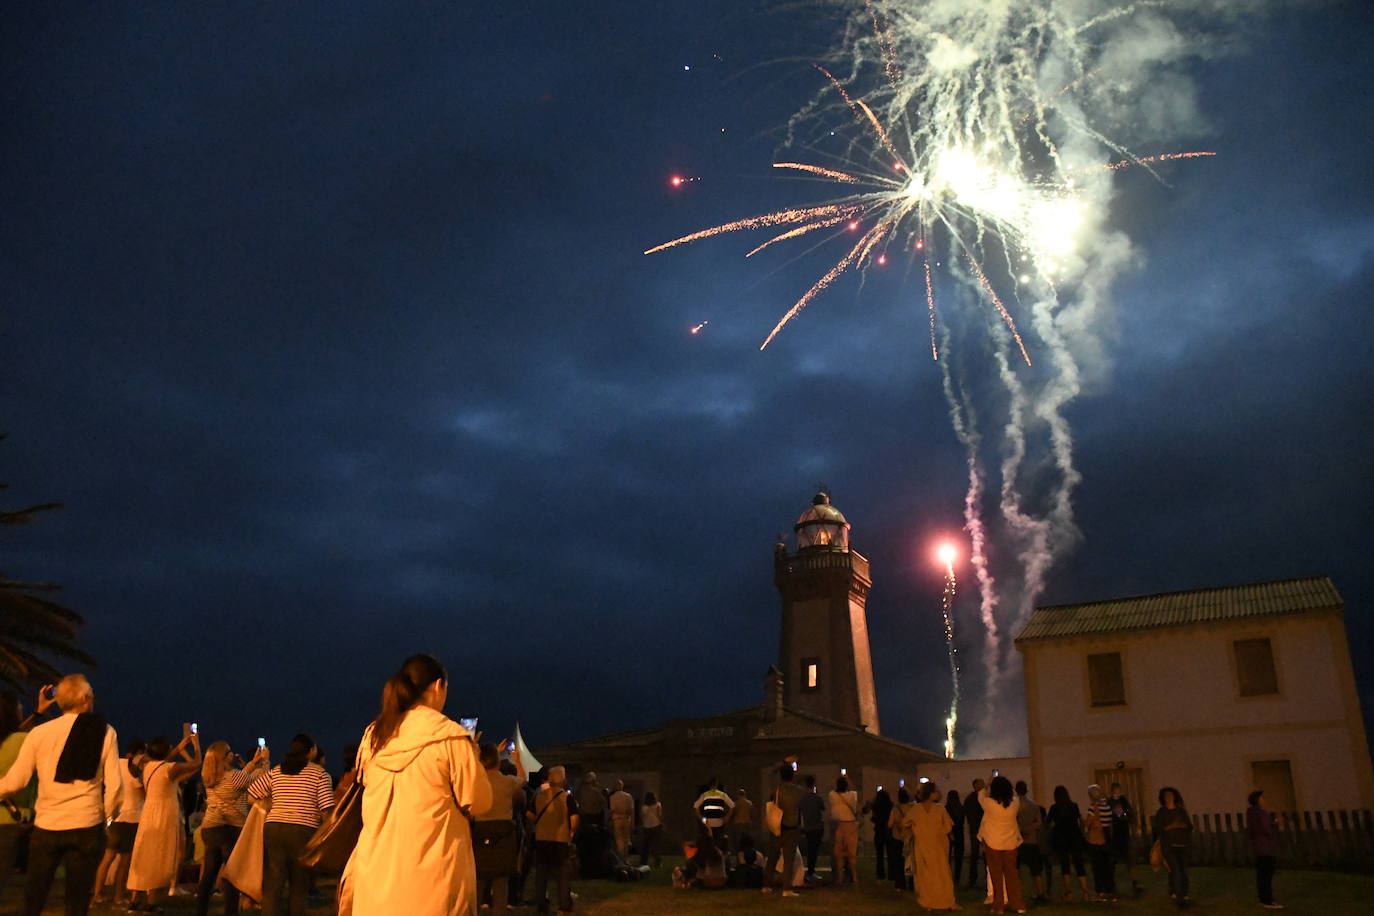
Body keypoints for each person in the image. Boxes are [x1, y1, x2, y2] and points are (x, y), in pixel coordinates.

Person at [342, 654, 489, 916]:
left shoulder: (374, 736)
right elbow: (479, 801)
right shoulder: (451, 737)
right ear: (437, 686)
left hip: (376, 876)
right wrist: (473, 757)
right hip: (434, 882)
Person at [0, 674, 122, 916]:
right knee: (76, 904)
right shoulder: (104, 732)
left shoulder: (39, 734)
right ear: (86, 699)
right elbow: (116, 786)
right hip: (86, 824)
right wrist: (107, 819)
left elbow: (16, 781)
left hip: (47, 826)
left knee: (34, 899)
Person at [249, 734, 334, 916]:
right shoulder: (320, 774)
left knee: (273, 883)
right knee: (298, 884)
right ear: (311, 751)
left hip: (273, 827)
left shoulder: (277, 771)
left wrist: (273, 804)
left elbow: (252, 793)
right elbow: (327, 810)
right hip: (302, 830)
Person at [126, 731, 203, 909]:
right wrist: (196, 745)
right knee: (158, 855)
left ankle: (135, 899)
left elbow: (165, 757)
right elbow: (197, 763)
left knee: (143, 853)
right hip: (165, 814)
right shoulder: (169, 768)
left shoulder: (148, 767)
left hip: (148, 813)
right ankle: (152, 901)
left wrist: (180, 745)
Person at [196, 740, 269, 916]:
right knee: (232, 875)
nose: (232, 754)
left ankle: (200, 911)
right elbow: (260, 779)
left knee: (209, 874)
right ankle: (231, 912)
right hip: (230, 828)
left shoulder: (209, 776)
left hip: (210, 827)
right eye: (229, 752)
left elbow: (241, 777)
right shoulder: (234, 777)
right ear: (223, 757)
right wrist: (264, 761)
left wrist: (252, 762)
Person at [0, 690, 44, 907]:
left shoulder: (13, 739)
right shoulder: (23, 740)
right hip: (11, 819)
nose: (21, 711)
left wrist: (37, 713)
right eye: (19, 708)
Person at [91, 739, 147, 908]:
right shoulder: (134, 769)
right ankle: (118, 896)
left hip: (115, 817)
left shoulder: (114, 764)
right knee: (125, 860)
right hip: (131, 818)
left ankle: (97, 894)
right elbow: (143, 793)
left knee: (107, 857)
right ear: (138, 753)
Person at [474, 740, 527, 910]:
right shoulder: (507, 782)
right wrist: (517, 759)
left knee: (478, 882)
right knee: (500, 883)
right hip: (503, 836)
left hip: (480, 834)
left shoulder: (476, 780)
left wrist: (480, 751)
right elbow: (523, 778)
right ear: (498, 761)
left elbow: (474, 767)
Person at [528, 765, 578, 915]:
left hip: (542, 839)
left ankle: (542, 907)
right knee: (562, 875)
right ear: (563, 779)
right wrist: (571, 833)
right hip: (560, 840)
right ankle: (563, 906)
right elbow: (574, 819)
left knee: (541, 875)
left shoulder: (539, 796)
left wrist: (540, 823)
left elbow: (529, 815)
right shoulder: (567, 797)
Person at [905, 782, 958, 910]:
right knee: (942, 873)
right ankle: (947, 901)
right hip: (937, 846)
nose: (938, 793)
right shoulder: (940, 809)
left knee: (925, 874)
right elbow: (948, 826)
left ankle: (928, 901)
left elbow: (906, 823)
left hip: (923, 846)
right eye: (936, 791)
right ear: (931, 793)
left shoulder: (916, 809)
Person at [978, 775, 1025, 915]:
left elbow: (980, 796)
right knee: (1012, 875)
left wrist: (987, 785)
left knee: (996, 876)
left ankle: (998, 906)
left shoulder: (989, 803)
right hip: (1010, 842)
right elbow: (1015, 794)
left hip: (992, 841)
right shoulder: (1015, 803)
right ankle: (1018, 905)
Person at [762, 762, 803, 898]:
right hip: (792, 828)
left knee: (772, 857)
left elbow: (770, 776)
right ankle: (786, 889)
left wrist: (779, 765)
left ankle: (767, 885)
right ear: (792, 776)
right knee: (789, 859)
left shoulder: (777, 789)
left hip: (777, 827)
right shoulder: (798, 790)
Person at [1047, 785, 1089, 902]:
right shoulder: (1073, 806)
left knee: (1065, 866)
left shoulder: (1054, 808)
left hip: (1061, 838)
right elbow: (1080, 820)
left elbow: (1048, 823)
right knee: (1079, 864)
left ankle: (1068, 892)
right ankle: (1085, 892)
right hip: (1074, 837)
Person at [1152, 786, 1192, 909]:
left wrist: (1182, 825)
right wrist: (1171, 827)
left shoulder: (1181, 811)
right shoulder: (1162, 812)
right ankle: (1180, 898)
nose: (1168, 797)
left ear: (1175, 796)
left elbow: (1190, 826)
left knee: (1183, 870)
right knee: (1175, 870)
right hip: (1168, 846)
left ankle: (1183, 893)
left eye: (1170, 795)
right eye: (1166, 796)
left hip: (1183, 845)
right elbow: (1158, 829)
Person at [1247, 789, 1283, 909]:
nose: (1264, 800)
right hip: (1265, 847)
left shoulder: (1250, 813)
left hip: (1257, 848)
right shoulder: (1262, 813)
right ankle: (1268, 901)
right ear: (1258, 800)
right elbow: (1266, 829)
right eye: (1262, 798)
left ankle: (1263, 899)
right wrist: (1274, 824)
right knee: (1267, 874)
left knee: (1261, 874)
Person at [1107, 782, 1143, 897]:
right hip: (1114, 834)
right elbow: (1118, 814)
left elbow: (1129, 813)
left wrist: (1130, 818)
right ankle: (1111, 885)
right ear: (1112, 791)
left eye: (1119, 790)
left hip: (1124, 833)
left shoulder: (1123, 800)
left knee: (1130, 861)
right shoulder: (1110, 802)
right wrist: (1123, 814)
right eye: (1115, 790)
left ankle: (1135, 884)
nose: (1117, 792)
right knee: (1112, 861)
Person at [1013, 780, 1045, 904]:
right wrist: (1029, 829)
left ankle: (1017, 893)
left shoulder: (1013, 805)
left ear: (1016, 790)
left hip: (1017, 841)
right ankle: (1040, 892)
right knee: (1036, 870)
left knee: (1016, 869)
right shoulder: (1034, 805)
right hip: (1032, 840)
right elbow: (1039, 822)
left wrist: (1021, 829)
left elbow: (1012, 822)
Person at [1084, 784, 1117, 901]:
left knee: (1097, 867)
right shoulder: (1109, 805)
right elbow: (1120, 815)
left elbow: (1087, 823)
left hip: (1095, 839)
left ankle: (1101, 891)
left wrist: (1083, 825)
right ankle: (1111, 890)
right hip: (1107, 838)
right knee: (1107, 866)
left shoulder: (1093, 807)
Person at [827, 776, 859, 885]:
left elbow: (831, 787)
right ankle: (854, 877)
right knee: (852, 854)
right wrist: (848, 778)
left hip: (838, 825)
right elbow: (854, 789)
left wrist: (837, 780)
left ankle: (840, 877)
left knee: (839, 854)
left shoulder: (832, 796)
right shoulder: (852, 796)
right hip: (851, 825)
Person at [693, 779, 733, 853]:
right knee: (718, 844)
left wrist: (701, 818)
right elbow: (732, 806)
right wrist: (727, 817)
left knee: (708, 843)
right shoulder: (722, 795)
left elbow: (696, 807)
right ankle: (717, 858)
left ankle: (709, 858)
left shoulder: (705, 795)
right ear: (716, 785)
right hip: (719, 822)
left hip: (708, 823)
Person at [798, 774, 825, 882]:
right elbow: (822, 809)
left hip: (807, 827)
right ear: (814, 784)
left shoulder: (802, 799)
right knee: (814, 850)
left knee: (810, 850)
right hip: (817, 827)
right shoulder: (817, 798)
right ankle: (811, 872)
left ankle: (810, 871)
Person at [866, 787, 894, 882]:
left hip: (878, 831)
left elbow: (867, 812)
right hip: (888, 831)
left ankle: (880, 874)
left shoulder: (875, 805)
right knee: (890, 854)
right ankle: (891, 874)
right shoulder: (890, 806)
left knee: (879, 855)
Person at [963, 778, 986, 888]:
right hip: (980, 829)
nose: (983, 785)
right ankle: (983, 877)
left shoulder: (970, 798)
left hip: (976, 829)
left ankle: (973, 879)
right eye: (981, 784)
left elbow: (966, 813)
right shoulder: (982, 798)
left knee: (975, 855)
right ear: (976, 785)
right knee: (980, 854)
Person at [608, 779, 634, 860]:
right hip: (626, 818)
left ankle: (621, 857)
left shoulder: (612, 797)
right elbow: (631, 809)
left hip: (617, 819)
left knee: (619, 839)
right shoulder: (628, 796)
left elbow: (612, 809)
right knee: (626, 839)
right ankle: (626, 857)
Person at [945, 788, 965, 884]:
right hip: (959, 834)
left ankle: (947, 875)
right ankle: (957, 877)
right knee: (958, 857)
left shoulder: (946, 808)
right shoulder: (960, 807)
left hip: (948, 834)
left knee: (947, 856)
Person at [639, 790, 663, 868]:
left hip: (647, 826)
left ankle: (643, 861)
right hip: (656, 825)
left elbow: (642, 816)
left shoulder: (644, 807)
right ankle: (657, 862)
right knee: (656, 845)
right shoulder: (658, 805)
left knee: (646, 845)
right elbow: (660, 815)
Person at [728, 788, 754, 854]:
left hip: (738, 823)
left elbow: (731, 813)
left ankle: (739, 854)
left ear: (738, 795)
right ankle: (748, 853)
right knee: (747, 839)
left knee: (738, 840)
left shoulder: (736, 804)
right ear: (745, 794)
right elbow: (752, 814)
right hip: (747, 823)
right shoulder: (749, 803)